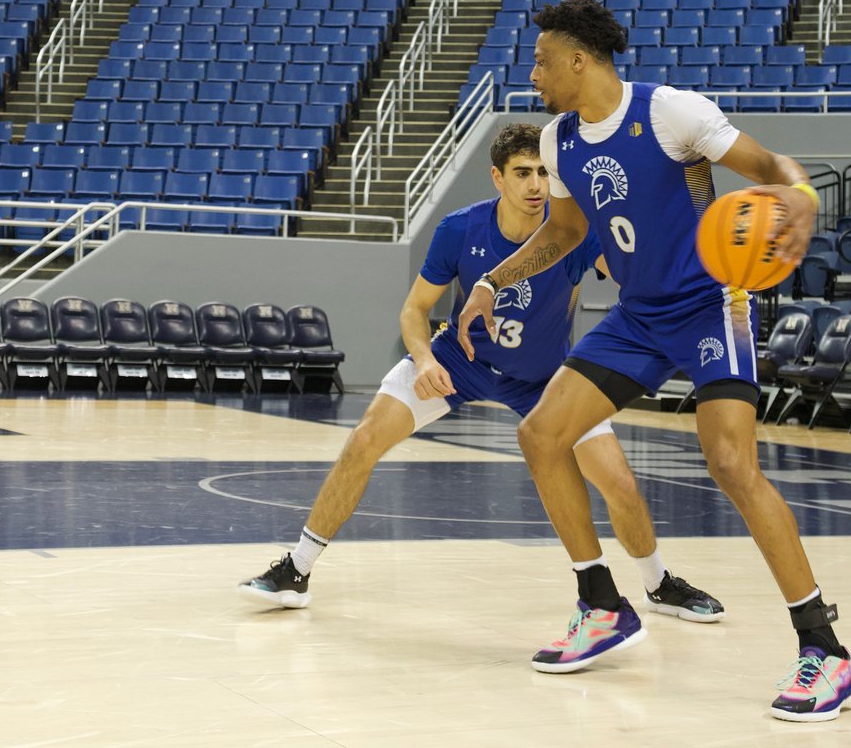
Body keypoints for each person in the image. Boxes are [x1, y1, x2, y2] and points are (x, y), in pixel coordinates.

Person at [457, 0, 851, 723]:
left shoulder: (669, 110)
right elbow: (567, 232)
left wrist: (796, 194)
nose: (534, 72)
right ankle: (602, 605)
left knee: (732, 464)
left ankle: (824, 650)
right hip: (638, 317)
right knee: (541, 434)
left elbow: (767, 164)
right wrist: (493, 281)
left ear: (581, 59)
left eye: (543, 58)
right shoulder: (557, 141)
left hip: (713, 304)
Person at [241, 122, 723, 672]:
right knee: (364, 439)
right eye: (523, 173)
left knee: (617, 480)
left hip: (543, 377)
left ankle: (658, 583)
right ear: (498, 177)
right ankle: (297, 570)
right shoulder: (458, 229)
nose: (536, 184)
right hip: (459, 361)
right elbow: (413, 310)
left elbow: (628, 271)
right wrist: (423, 359)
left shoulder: (575, 229)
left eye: (544, 172)